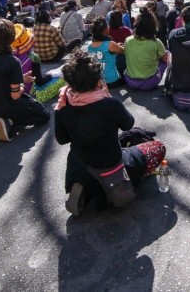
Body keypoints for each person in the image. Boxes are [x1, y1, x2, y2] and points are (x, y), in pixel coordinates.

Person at [55, 51, 166, 216]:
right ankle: (112, 187)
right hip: (112, 162)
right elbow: (128, 124)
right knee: (158, 147)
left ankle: (86, 186)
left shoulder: (63, 106)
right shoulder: (110, 104)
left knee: (92, 153)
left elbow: (62, 139)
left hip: (81, 164)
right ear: (98, 79)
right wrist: (107, 95)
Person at [0, 19, 50, 142]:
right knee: (44, 114)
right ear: (8, 39)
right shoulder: (11, 61)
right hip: (10, 106)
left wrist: (20, 78)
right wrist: (22, 82)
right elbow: (15, 95)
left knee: (8, 108)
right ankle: (9, 122)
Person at [123, 8, 171, 90]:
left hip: (129, 81)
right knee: (168, 56)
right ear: (153, 27)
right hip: (149, 83)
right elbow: (166, 60)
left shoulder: (128, 40)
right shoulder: (156, 42)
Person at [86, 18, 126, 88]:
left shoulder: (89, 46)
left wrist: (116, 46)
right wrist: (118, 46)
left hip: (98, 82)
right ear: (105, 31)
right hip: (113, 81)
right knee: (121, 57)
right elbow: (124, 51)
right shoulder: (110, 44)